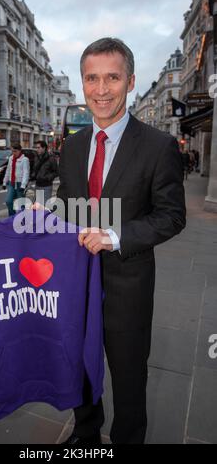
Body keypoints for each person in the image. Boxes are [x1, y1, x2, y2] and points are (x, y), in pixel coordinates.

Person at [54, 38, 186, 445]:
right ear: (82, 83)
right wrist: (50, 215)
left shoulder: (159, 146)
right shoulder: (73, 145)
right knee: (78, 365)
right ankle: (87, 431)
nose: (101, 89)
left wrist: (114, 237)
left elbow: (171, 216)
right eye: (92, 78)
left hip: (129, 287)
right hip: (77, 284)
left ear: (130, 82)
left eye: (112, 77)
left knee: (129, 375)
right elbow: (69, 203)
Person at [3, 143, 30, 216]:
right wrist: (4, 182)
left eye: (15, 151)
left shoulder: (25, 160)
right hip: (11, 183)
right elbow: (8, 170)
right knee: (8, 201)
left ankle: (23, 218)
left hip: (20, 184)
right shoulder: (11, 158)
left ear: (19, 151)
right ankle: (12, 217)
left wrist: (23, 185)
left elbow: (26, 173)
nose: (13, 153)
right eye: (12, 151)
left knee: (21, 204)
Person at [33, 140, 58, 205]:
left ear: (44, 148)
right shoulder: (36, 157)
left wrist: (48, 177)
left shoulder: (51, 158)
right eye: (36, 148)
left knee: (45, 205)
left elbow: (56, 171)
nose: (37, 149)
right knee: (38, 205)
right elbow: (35, 169)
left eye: (38, 148)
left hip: (46, 185)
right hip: (38, 185)